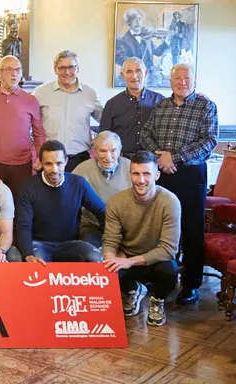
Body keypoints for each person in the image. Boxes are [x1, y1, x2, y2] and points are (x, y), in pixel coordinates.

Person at [140, 63, 218, 305]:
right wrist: (160, 157)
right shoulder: (161, 105)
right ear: (170, 81)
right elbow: (145, 134)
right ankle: (163, 277)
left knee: (191, 231)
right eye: (177, 78)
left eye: (186, 78)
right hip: (163, 174)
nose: (182, 82)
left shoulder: (206, 106)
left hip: (191, 175)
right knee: (161, 227)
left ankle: (190, 284)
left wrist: (175, 157)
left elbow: (209, 141)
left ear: (194, 80)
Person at [103, 151, 181, 327]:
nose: (141, 180)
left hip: (154, 260)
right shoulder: (116, 202)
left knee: (170, 271)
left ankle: (157, 300)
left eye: (146, 174)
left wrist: (130, 261)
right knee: (104, 267)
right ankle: (133, 290)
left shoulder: (170, 201)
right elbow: (110, 240)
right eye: (136, 173)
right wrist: (110, 258)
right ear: (130, 174)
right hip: (126, 258)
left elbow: (169, 249)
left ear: (157, 175)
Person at [15, 140, 105, 264]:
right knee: (39, 268)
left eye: (59, 163)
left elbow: (102, 211)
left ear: (66, 162)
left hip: (71, 244)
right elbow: (23, 225)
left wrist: (110, 245)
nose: (54, 169)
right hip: (39, 244)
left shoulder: (78, 183)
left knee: (97, 260)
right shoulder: (28, 187)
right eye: (48, 164)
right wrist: (28, 254)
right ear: (40, 163)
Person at [0, 55, 45, 192]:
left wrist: (40, 157)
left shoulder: (31, 100)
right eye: (9, 70)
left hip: (22, 164)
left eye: (18, 70)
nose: (14, 74)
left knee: (19, 207)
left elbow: (38, 133)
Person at [33, 50, 103, 172]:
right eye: (62, 68)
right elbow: (28, 120)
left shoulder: (90, 94)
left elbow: (104, 119)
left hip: (80, 159)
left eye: (71, 67)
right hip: (50, 159)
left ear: (78, 68)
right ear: (55, 70)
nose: (67, 72)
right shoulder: (41, 93)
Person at [73, 131, 132, 248]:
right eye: (103, 151)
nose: (108, 157)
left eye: (113, 150)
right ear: (94, 151)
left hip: (124, 227)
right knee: (87, 253)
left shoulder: (132, 168)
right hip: (92, 226)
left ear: (120, 149)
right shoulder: (82, 169)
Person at [99, 57, 164, 158]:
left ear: (146, 73)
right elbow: (103, 137)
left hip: (151, 160)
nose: (134, 76)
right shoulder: (112, 104)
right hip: (121, 160)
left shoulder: (160, 101)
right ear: (123, 75)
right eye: (129, 72)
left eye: (138, 71)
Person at [114, 7, 169, 86]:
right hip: (133, 76)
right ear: (128, 22)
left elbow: (157, 52)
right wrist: (135, 64)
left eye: (140, 19)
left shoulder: (147, 36)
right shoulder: (121, 39)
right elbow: (119, 58)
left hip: (150, 75)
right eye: (134, 19)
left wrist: (167, 42)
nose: (137, 22)